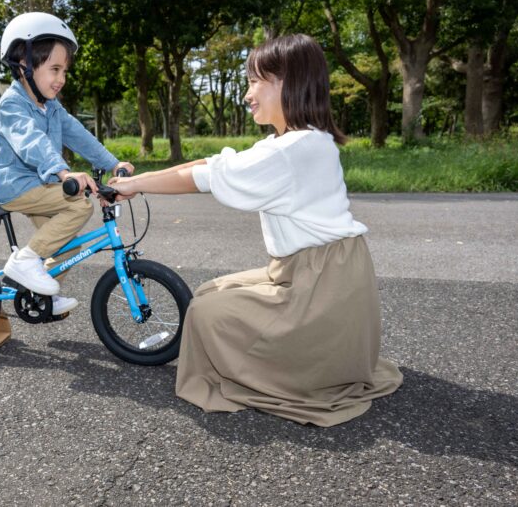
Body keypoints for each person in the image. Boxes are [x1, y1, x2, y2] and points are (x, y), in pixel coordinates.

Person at [109, 34, 402, 427]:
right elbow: (210, 162)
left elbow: (203, 177)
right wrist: (135, 182)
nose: (248, 94)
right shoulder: (297, 141)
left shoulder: (294, 150)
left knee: (208, 313)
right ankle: (285, 359)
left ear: (289, 82)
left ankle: (299, 371)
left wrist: (136, 185)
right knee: (210, 292)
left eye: (255, 81)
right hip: (318, 273)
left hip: (321, 288)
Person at [0, 12, 134, 316]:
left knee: (68, 246)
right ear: (25, 64)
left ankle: (41, 297)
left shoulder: (52, 107)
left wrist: (113, 163)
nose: (61, 79)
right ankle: (24, 262)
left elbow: (79, 136)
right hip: (14, 185)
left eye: (64, 70)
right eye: (54, 69)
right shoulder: (13, 104)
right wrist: (63, 171)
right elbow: (31, 142)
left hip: (40, 184)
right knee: (79, 205)